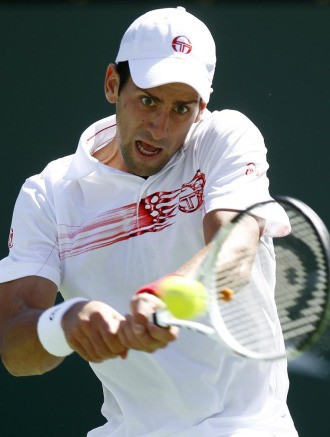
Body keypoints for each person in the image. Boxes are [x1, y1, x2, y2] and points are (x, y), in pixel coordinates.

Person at [0, 6, 298, 437]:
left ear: (201, 109)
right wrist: (65, 325)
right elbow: (14, 347)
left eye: (181, 108)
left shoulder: (226, 138)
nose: (159, 128)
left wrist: (170, 297)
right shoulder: (48, 194)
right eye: (148, 100)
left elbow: (236, 246)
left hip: (247, 429)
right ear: (111, 84)